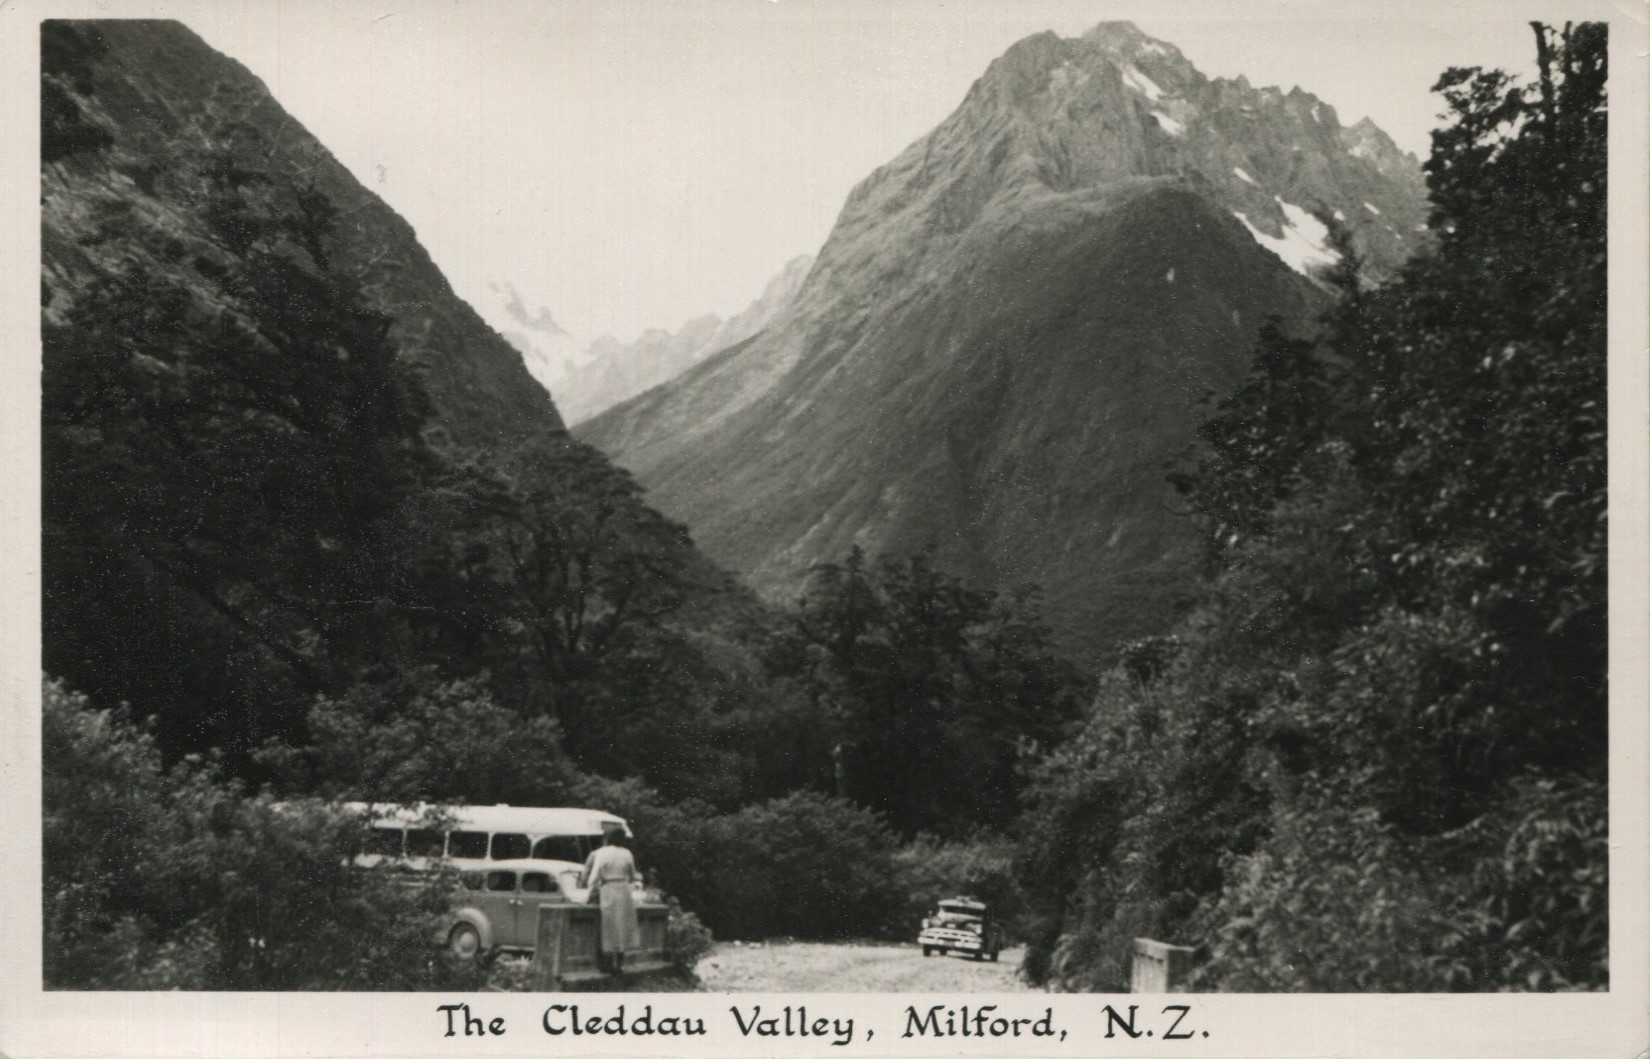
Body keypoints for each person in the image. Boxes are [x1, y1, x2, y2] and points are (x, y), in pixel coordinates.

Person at [582, 828, 639, 973]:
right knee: (622, 926)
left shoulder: (602, 853)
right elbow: (632, 875)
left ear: (606, 839)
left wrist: (591, 890)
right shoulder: (627, 853)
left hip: (608, 888)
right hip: (624, 890)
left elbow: (594, 876)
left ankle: (607, 963)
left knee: (608, 926)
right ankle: (619, 963)